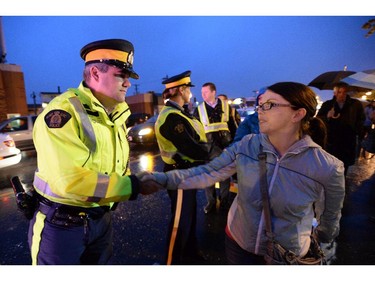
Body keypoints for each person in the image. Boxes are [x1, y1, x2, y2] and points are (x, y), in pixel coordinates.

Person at [141, 82, 345, 265]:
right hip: (238, 244)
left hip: (286, 256)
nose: (259, 111)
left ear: (297, 114)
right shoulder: (248, 145)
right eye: (260, 104)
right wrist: (158, 179)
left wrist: (315, 240)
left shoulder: (327, 168)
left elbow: (329, 223)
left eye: (269, 105)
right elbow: (207, 172)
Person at [28, 39, 159, 265]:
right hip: (62, 226)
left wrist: (130, 178)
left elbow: (112, 165)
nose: (127, 83)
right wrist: (133, 185)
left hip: (100, 219)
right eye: (122, 75)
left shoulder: (113, 114)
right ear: (96, 72)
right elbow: (69, 181)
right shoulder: (63, 113)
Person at [155, 70, 220, 264]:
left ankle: (191, 254)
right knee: (180, 222)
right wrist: (213, 154)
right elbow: (190, 147)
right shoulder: (172, 117)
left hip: (186, 173)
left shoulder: (180, 113)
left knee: (189, 217)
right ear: (181, 90)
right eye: (188, 89)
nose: (190, 93)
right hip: (179, 174)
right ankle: (171, 262)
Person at [194, 83, 239, 214]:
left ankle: (224, 201)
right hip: (208, 149)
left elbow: (233, 127)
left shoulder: (226, 107)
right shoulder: (199, 109)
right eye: (202, 93)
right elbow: (196, 131)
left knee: (224, 177)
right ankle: (211, 202)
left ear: (214, 92)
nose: (203, 95)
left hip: (225, 147)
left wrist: (233, 146)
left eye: (205, 92)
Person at [317, 82, 365, 176]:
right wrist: (327, 116)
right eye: (339, 92)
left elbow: (361, 119)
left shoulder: (355, 104)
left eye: (344, 92)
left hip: (347, 141)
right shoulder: (328, 105)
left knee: (344, 167)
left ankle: (341, 186)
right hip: (332, 142)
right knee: (329, 166)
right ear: (334, 93)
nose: (342, 95)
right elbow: (318, 120)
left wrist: (357, 131)